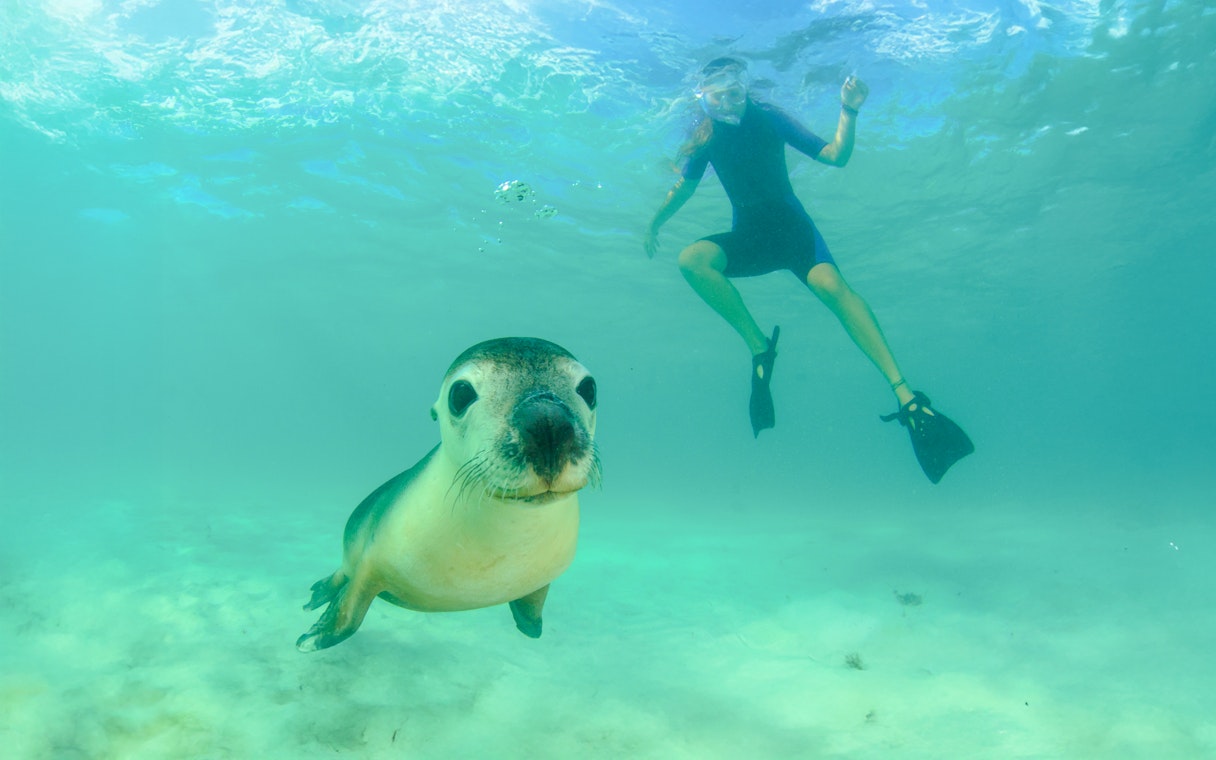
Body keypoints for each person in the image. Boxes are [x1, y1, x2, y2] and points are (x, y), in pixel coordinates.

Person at [643, 57, 972, 483]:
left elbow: (836, 156)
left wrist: (848, 109)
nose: (729, 100)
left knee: (831, 286)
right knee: (692, 260)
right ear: (703, 97)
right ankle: (759, 347)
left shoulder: (769, 118)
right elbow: (683, 189)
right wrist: (654, 223)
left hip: (794, 234)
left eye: (736, 90)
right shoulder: (704, 136)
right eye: (718, 93)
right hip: (753, 239)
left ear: (746, 90)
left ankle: (906, 395)